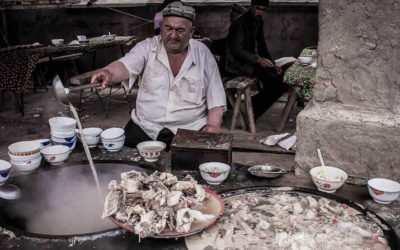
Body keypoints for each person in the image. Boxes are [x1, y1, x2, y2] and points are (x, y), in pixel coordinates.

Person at [91, 2, 226, 149]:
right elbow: (125, 65)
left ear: (191, 31)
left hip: (190, 128)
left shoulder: (203, 54)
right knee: (126, 163)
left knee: (192, 168)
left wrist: (213, 125)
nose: (173, 35)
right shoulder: (147, 47)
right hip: (146, 127)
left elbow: (216, 96)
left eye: (180, 30)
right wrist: (108, 73)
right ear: (161, 26)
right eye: (168, 28)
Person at [225, 0, 287, 120]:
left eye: (263, 10)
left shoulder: (258, 21)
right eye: (257, 8)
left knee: (280, 78)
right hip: (236, 64)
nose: (260, 12)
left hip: (249, 62)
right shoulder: (240, 23)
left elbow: (262, 47)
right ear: (251, 6)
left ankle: (253, 106)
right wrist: (258, 60)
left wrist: (273, 64)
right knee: (277, 83)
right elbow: (238, 50)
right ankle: (252, 113)